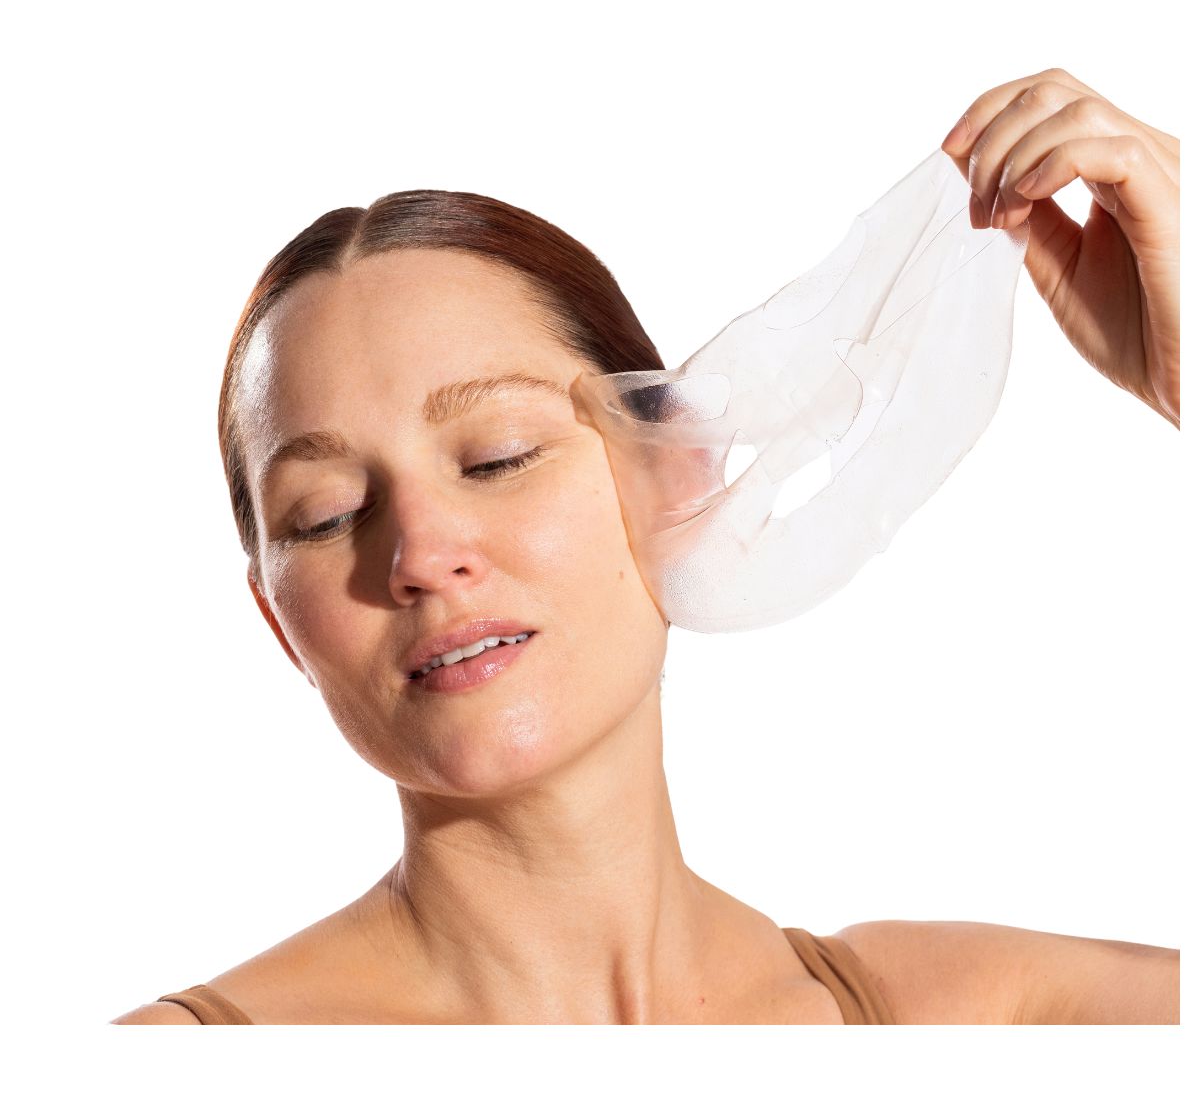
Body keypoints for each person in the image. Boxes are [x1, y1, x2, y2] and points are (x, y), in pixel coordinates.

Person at [112, 68, 1179, 1025]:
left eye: (496, 457)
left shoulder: (989, 1027)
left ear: (676, 470)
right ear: (279, 626)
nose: (422, 554)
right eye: (329, 513)